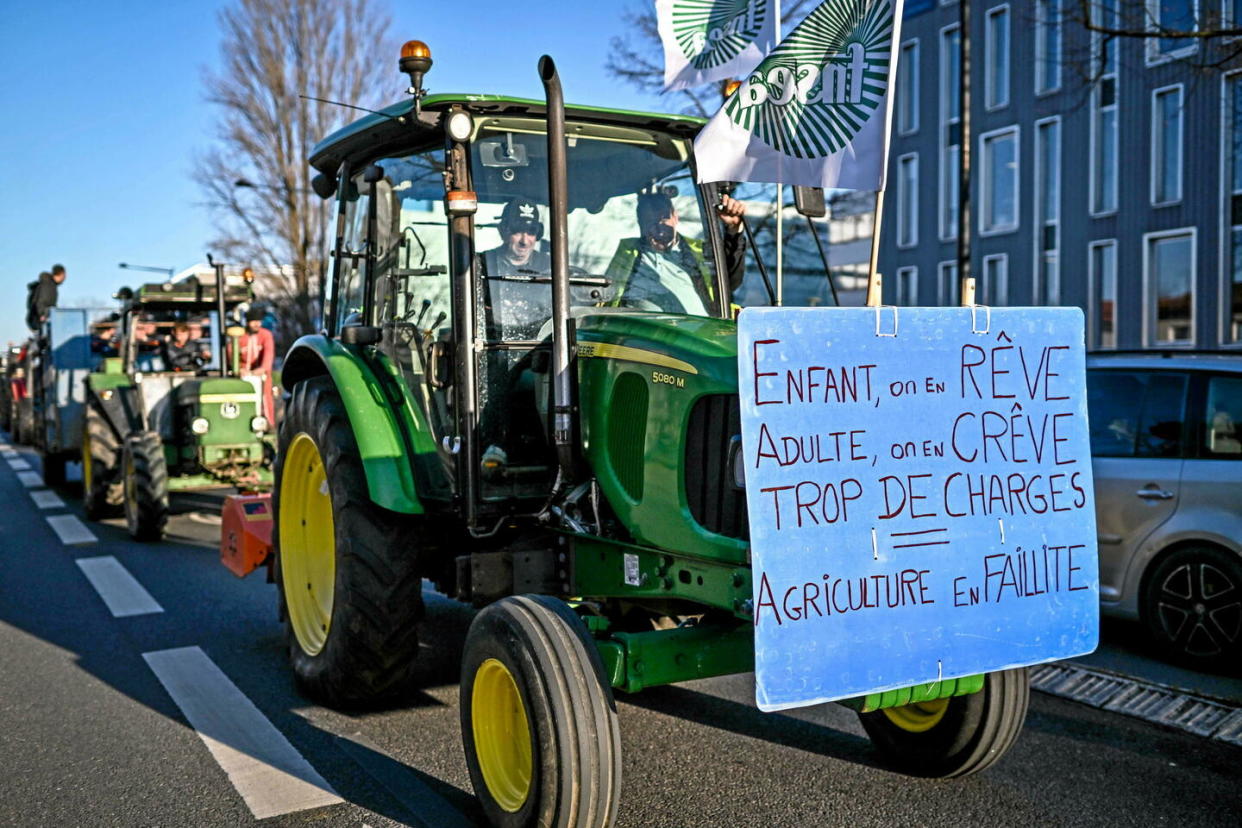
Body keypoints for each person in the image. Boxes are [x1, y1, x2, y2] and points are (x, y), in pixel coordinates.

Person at [604, 191, 746, 315]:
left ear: (675, 217)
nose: (659, 227)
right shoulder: (629, 254)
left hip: (698, 336)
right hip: (642, 338)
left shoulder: (698, 252)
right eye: (650, 221)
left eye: (664, 218)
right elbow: (606, 295)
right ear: (641, 224)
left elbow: (730, 282)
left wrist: (733, 230)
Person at [480, 197, 551, 278]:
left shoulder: (549, 266)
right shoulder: (484, 262)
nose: (524, 241)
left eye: (531, 231)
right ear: (503, 231)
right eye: (517, 230)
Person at [229, 306, 276, 428]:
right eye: (253, 321)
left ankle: (268, 424)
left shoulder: (266, 335)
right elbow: (231, 353)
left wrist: (263, 368)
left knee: (266, 397)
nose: (256, 324)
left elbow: (269, 353)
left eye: (258, 321)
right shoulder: (240, 335)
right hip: (244, 374)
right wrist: (239, 368)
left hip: (261, 374)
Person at [26, 265, 66, 331]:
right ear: (61, 274)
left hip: (39, 318)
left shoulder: (49, 284)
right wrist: (42, 315)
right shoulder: (48, 285)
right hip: (41, 320)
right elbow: (41, 301)